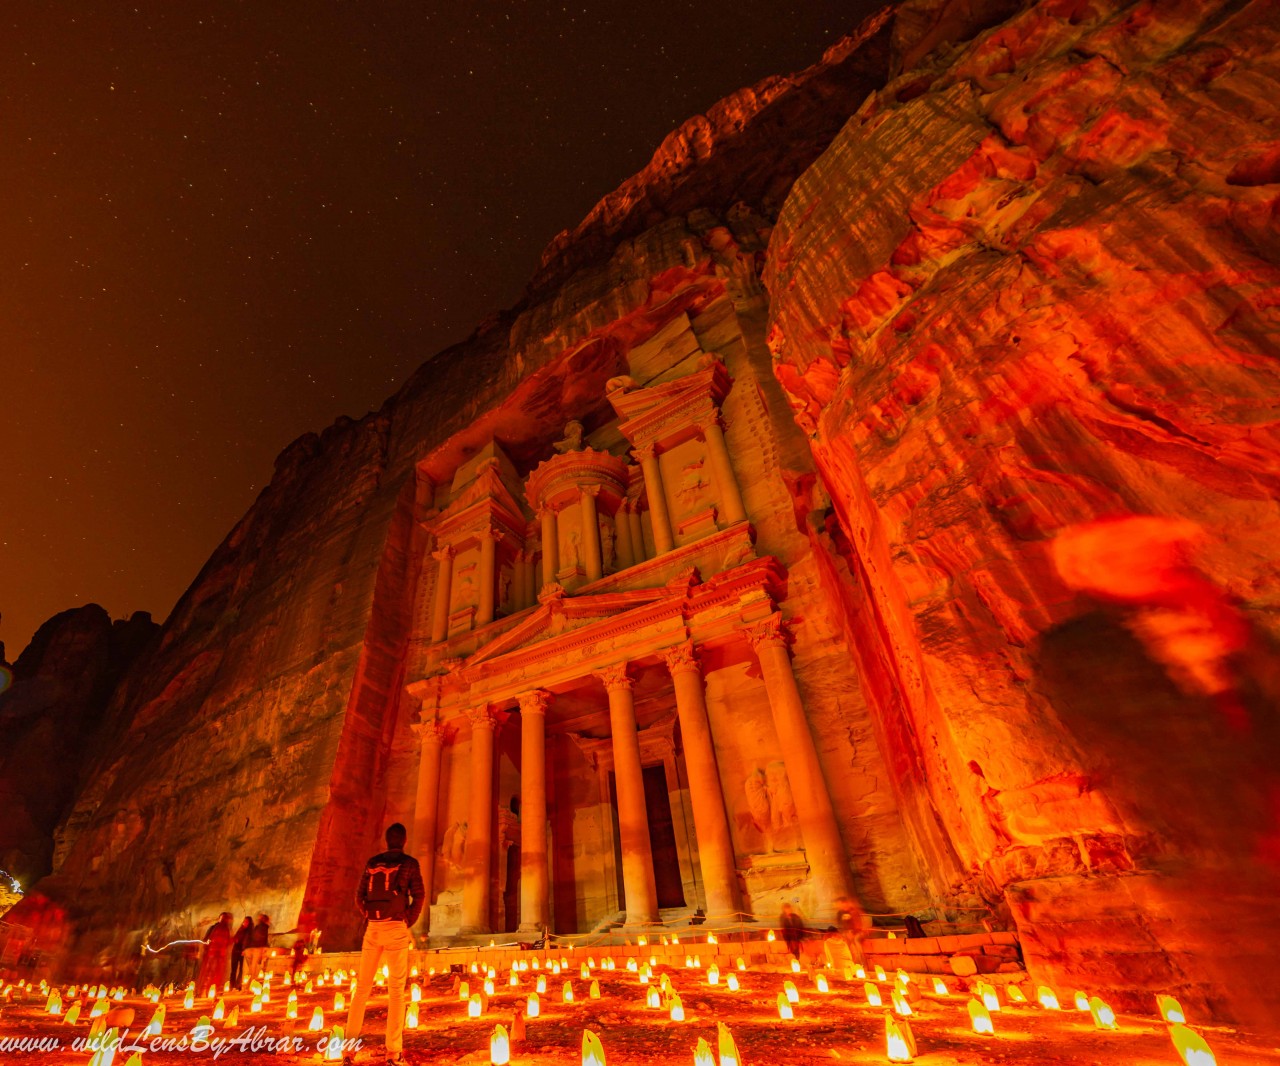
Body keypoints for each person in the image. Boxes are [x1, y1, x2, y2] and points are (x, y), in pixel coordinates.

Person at [344, 823, 425, 1066]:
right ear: (405, 840)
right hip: (395, 928)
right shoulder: (410, 863)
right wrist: (407, 919)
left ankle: (348, 1051)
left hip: (373, 929)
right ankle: (393, 1053)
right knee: (396, 993)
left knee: (361, 991)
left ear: (386, 840)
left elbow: (359, 895)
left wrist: (369, 915)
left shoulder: (372, 862)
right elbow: (419, 895)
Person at [196, 912, 232, 992]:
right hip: (212, 953)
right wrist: (207, 947)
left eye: (225, 918)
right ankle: (204, 988)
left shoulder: (226, 929)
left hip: (219, 954)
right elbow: (206, 938)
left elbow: (226, 941)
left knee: (216, 971)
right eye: (223, 918)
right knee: (209, 971)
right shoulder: (214, 927)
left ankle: (211, 989)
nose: (224, 919)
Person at [834, 895, 866, 967]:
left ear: (844, 903)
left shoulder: (854, 911)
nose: (838, 906)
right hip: (846, 933)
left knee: (855, 941)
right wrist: (842, 933)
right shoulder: (839, 913)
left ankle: (861, 964)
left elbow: (859, 924)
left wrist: (853, 932)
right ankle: (851, 963)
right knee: (845, 943)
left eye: (840, 904)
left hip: (857, 932)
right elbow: (839, 925)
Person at [243, 912, 271, 984]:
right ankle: (252, 981)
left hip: (254, 948)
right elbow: (260, 938)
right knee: (254, 966)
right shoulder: (262, 927)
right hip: (256, 948)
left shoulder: (259, 927)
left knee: (252, 966)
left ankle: (251, 981)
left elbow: (258, 937)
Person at [230, 917, 253, 987]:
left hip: (242, 952)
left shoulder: (249, 932)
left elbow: (247, 942)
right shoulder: (240, 929)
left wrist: (244, 949)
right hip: (235, 950)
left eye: (247, 922)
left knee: (241, 969)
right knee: (233, 969)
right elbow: (235, 938)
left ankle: (238, 985)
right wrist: (234, 939)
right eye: (244, 921)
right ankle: (232, 985)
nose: (245, 923)